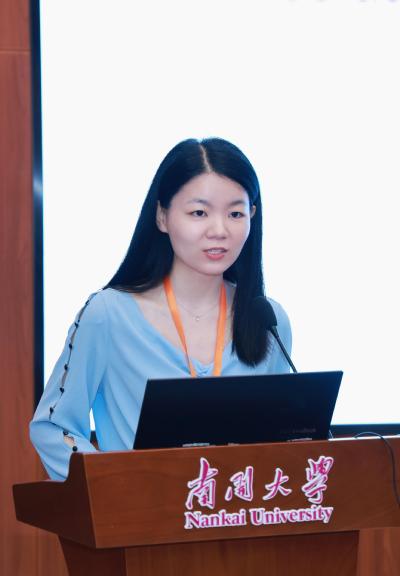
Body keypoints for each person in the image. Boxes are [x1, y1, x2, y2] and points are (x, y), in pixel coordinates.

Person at [30, 137, 292, 481]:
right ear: (162, 216)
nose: (219, 230)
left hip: (237, 510)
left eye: (235, 214)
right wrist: (112, 484)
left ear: (252, 217)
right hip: (139, 511)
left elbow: (284, 439)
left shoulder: (267, 320)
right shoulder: (108, 314)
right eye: (199, 213)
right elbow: (52, 427)